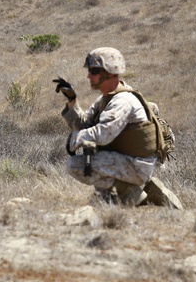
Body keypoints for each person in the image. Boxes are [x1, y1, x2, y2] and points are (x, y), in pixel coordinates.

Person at [55, 48, 182, 208]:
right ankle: (123, 194)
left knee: (75, 165)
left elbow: (103, 134)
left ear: (110, 72)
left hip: (137, 165)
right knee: (91, 164)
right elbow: (85, 123)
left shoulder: (123, 101)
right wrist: (72, 100)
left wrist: (76, 139)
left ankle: (133, 193)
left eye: (94, 71)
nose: (89, 76)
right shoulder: (106, 98)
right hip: (126, 160)